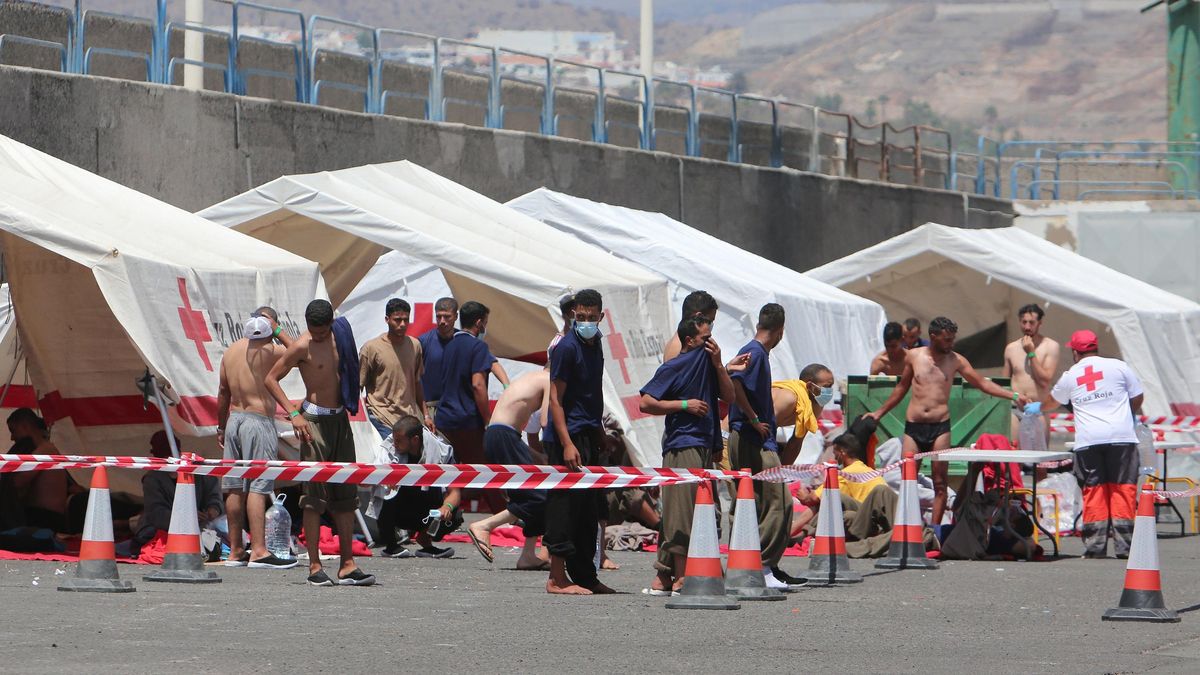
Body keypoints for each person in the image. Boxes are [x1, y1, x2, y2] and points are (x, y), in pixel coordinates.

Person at [865, 316, 1029, 531]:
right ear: (933, 337)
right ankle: (909, 527)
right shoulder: (914, 357)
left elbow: (981, 383)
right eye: (947, 339)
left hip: (940, 427)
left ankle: (934, 532)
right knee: (907, 481)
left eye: (952, 339)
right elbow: (901, 388)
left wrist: (1013, 395)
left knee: (940, 484)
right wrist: (879, 412)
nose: (951, 343)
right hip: (914, 426)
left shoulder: (956, 360)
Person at [265, 299, 375, 587]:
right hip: (312, 423)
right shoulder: (302, 345)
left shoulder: (342, 336)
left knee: (346, 495)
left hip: (340, 421)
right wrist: (293, 414)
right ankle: (314, 566)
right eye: (312, 332)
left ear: (331, 325)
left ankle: (347, 564)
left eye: (322, 332)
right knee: (313, 498)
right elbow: (271, 378)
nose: (317, 337)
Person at [640, 315, 737, 595]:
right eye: (705, 338)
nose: (711, 343)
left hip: (704, 444)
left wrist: (720, 364)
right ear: (689, 340)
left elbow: (728, 397)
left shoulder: (708, 365)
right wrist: (684, 405)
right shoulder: (678, 365)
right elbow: (646, 402)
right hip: (682, 445)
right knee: (681, 512)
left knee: (698, 511)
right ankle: (680, 577)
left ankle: (665, 576)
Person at [1044, 329, 1143, 559]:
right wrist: (1127, 415)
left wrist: (1037, 408)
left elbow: (1053, 402)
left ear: (1075, 352)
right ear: (1096, 347)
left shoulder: (1071, 375)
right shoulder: (1119, 366)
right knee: (1123, 489)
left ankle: (1095, 547)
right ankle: (1125, 547)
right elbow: (1138, 397)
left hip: (1089, 440)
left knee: (1094, 491)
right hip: (1121, 437)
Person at [543, 288, 613, 595]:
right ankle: (556, 578)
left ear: (601, 317)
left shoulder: (596, 341)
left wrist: (597, 429)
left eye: (590, 317)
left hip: (587, 432)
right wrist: (567, 442)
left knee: (588, 510)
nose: (584, 321)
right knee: (563, 507)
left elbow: (592, 390)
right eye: (579, 317)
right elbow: (556, 399)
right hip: (566, 436)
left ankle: (585, 575)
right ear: (573, 315)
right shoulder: (566, 347)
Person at [216, 315, 294, 568]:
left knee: (234, 486)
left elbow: (223, 391)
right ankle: (259, 550)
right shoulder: (271, 350)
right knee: (259, 484)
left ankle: (236, 550)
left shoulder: (231, 351)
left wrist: (220, 426)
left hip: (234, 420)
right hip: (257, 421)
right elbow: (299, 351)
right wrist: (278, 329)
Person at [728, 303, 796, 589]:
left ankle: (750, 565)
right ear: (780, 331)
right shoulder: (755, 353)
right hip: (752, 437)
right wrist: (754, 418)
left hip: (748, 435)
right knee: (779, 500)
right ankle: (764, 566)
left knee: (752, 502)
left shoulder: (756, 351)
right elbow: (736, 383)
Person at [468, 369, 552, 570]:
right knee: (538, 496)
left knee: (534, 494)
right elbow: (546, 421)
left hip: (502, 435)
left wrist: (538, 456)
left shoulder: (531, 377)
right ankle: (484, 526)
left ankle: (528, 556)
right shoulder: (549, 379)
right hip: (503, 435)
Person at [434, 300, 505, 513]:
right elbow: (478, 384)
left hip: (444, 420)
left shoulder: (448, 346)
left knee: (452, 475)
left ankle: (444, 513)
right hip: (467, 421)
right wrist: (487, 421)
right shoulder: (478, 346)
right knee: (487, 472)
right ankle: (505, 516)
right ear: (479, 322)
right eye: (485, 322)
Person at [378, 416, 463, 559]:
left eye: (399, 441)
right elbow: (370, 482)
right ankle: (391, 545)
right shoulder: (389, 450)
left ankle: (425, 540)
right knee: (383, 498)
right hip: (400, 507)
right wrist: (386, 479)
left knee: (454, 515)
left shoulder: (441, 453)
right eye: (394, 439)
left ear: (415, 440)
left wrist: (447, 507)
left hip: (425, 506)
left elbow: (455, 492)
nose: (395, 444)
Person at [134, 431, 222, 548]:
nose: (169, 459)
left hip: (198, 525)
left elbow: (213, 495)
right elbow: (156, 513)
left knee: (221, 527)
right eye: (165, 456)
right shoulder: (152, 479)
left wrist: (214, 508)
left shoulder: (196, 470)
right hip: (162, 528)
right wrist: (185, 516)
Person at [360, 297, 432, 439]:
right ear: (387, 319)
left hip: (409, 420)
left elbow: (417, 382)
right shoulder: (371, 348)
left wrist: (426, 415)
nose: (403, 324)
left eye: (406, 319)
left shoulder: (415, 345)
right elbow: (358, 384)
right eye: (397, 320)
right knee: (391, 459)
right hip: (381, 418)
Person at [1002, 303, 1060, 444]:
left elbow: (1044, 380)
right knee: (1013, 454)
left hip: (1038, 408)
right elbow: (1003, 383)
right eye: (1024, 322)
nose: (1027, 327)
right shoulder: (1011, 348)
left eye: (1032, 322)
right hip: (1015, 408)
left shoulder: (1050, 346)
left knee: (1040, 460)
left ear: (1039, 323)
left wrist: (1031, 353)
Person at [2, 409, 68, 531]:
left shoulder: (45, 451)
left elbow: (17, 482)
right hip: (40, 516)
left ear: (25, 426)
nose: (12, 437)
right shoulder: (43, 449)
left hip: (45, 518)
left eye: (13, 431)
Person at [772, 363, 836, 465]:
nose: (829, 391)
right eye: (826, 386)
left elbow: (796, 442)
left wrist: (783, 471)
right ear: (810, 386)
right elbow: (763, 430)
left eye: (831, 386)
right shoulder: (789, 398)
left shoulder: (816, 405)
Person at [419, 297, 459, 422]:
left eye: (447, 317)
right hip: (431, 410)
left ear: (456, 316)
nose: (442, 321)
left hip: (458, 409)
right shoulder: (423, 341)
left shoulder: (464, 341)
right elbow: (414, 379)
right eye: (439, 316)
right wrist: (425, 414)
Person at [662, 290, 719, 362]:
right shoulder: (683, 349)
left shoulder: (680, 344)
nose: (710, 325)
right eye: (710, 321)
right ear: (699, 316)